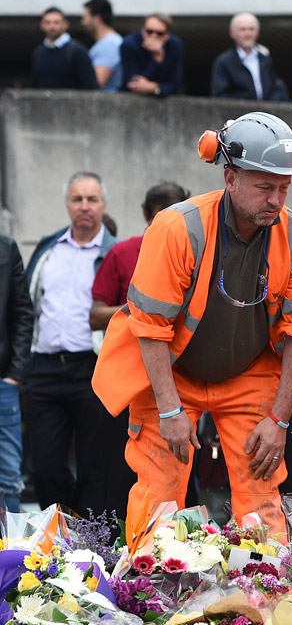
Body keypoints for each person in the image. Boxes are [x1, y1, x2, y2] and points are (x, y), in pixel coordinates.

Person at [91, 113, 292, 533]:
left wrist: (279, 421)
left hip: (248, 372)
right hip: (172, 372)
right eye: (265, 186)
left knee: (261, 496)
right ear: (230, 179)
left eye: (284, 188)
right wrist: (169, 409)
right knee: (159, 490)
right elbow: (150, 328)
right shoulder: (177, 228)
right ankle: (150, 586)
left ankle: (265, 589)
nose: (276, 199)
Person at [89, 182, 190, 517]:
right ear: (147, 215)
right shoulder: (124, 252)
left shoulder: (196, 251)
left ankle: (178, 542)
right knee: (120, 468)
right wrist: (139, 311)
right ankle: (121, 542)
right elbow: (94, 314)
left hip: (183, 378)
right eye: (160, 215)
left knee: (183, 466)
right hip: (131, 379)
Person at [24, 172, 118, 513]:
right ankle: (60, 528)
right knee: (44, 465)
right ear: (67, 204)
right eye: (77, 199)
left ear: (103, 205)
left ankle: (87, 540)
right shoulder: (49, 248)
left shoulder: (114, 253)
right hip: (45, 369)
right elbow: (26, 305)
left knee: (96, 465)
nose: (84, 206)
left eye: (92, 200)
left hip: (95, 369)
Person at [90, 182, 191, 330]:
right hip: (130, 350)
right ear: (146, 215)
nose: (170, 223)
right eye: (163, 215)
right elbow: (95, 318)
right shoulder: (121, 253)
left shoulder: (196, 255)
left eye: (177, 215)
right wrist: (144, 308)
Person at [0, 234, 34, 514]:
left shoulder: (6, 246)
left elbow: (22, 311)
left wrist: (14, 373)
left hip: (3, 380)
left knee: (8, 476)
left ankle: (7, 552)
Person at [210, 13, 288, 102]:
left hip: (264, 114)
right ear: (232, 33)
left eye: (251, 29)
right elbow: (220, 96)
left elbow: (274, 88)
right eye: (242, 29)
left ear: (257, 33)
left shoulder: (265, 59)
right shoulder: (223, 62)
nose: (248, 34)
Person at [31, 7, 97, 90]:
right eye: (47, 23)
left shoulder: (77, 51)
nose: (52, 26)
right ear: (42, 25)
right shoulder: (38, 53)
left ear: (65, 25)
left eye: (56, 22)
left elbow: (89, 86)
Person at [121, 13, 183, 97]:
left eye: (159, 33)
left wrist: (155, 88)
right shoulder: (130, 44)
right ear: (142, 30)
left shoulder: (174, 45)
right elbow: (133, 84)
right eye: (149, 32)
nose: (153, 36)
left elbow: (174, 84)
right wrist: (156, 59)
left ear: (167, 35)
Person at [81, 0, 123, 91]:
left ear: (96, 19)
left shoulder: (109, 45)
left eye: (85, 18)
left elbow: (96, 83)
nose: (82, 22)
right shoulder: (108, 43)